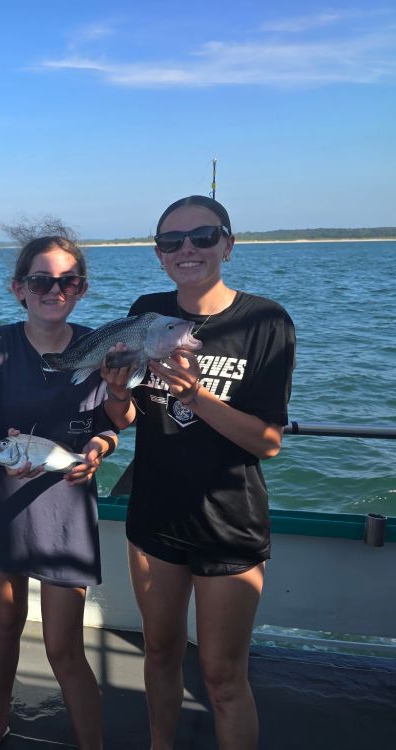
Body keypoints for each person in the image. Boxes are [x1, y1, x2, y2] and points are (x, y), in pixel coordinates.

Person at [103, 196, 296, 749]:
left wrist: (199, 395)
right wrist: (118, 395)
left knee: (222, 676)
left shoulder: (264, 322)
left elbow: (269, 442)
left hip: (228, 521)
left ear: (228, 246)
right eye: (172, 241)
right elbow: (130, 416)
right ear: (160, 255)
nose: (187, 249)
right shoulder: (148, 310)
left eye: (203, 237)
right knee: (159, 653)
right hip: (155, 515)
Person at [0, 226, 124, 750]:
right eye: (41, 281)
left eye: (68, 281)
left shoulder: (99, 346)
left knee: (63, 646)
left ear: (81, 288)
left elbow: (113, 421)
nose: (54, 290)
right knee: (5, 619)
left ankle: (92, 742)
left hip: (66, 512)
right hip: (5, 503)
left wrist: (100, 450)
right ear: (19, 289)